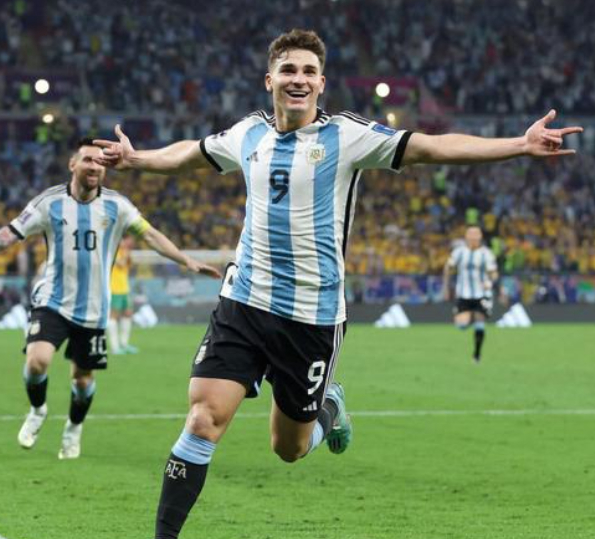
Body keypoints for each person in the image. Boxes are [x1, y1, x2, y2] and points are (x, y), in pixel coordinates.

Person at [94, 29, 582, 539]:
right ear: (269, 80)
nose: (298, 79)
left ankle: (330, 407)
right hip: (244, 302)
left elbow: (430, 147)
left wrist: (518, 145)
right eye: (288, 70)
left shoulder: (347, 136)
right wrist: (136, 159)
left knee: (289, 449)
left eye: (309, 71)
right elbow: (190, 154)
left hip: (312, 316)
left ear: (322, 83)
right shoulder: (248, 134)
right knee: (202, 419)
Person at [0, 138, 221, 460]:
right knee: (37, 362)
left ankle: (74, 428)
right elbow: (11, 232)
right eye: (88, 160)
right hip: (53, 300)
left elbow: (150, 234)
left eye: (100, 163)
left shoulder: (117, 205)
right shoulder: (49, 202)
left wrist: (186, 260)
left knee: (82, 379)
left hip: (93, 309)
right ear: (73, 164)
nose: (94, 167)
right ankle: (37, 409)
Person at [443, 226, 498, 362]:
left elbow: (494, 273)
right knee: (461, 325)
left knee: (480, 322)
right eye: (470, 234)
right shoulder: (459, 252)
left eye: (476, 234)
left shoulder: (486, 253)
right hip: (463, 294)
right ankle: (474, 316)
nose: (473, 236)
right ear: (466, 236)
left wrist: (490, 281)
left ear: (480, 236)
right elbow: (448, 267)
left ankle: (477, 354)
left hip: (482, 294)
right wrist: (446, 287)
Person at [108, 235, 138, 354]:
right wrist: (125, 252)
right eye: (131, 239)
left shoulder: (125, 251)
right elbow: (120, 264)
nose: (133, 242)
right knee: (113, 316)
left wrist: (127, 252)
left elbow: (129, 265)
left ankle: (124, 344)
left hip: (124, 288)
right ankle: (115, 347)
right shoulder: (114, 251)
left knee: (128, 313)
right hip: (114, 288)